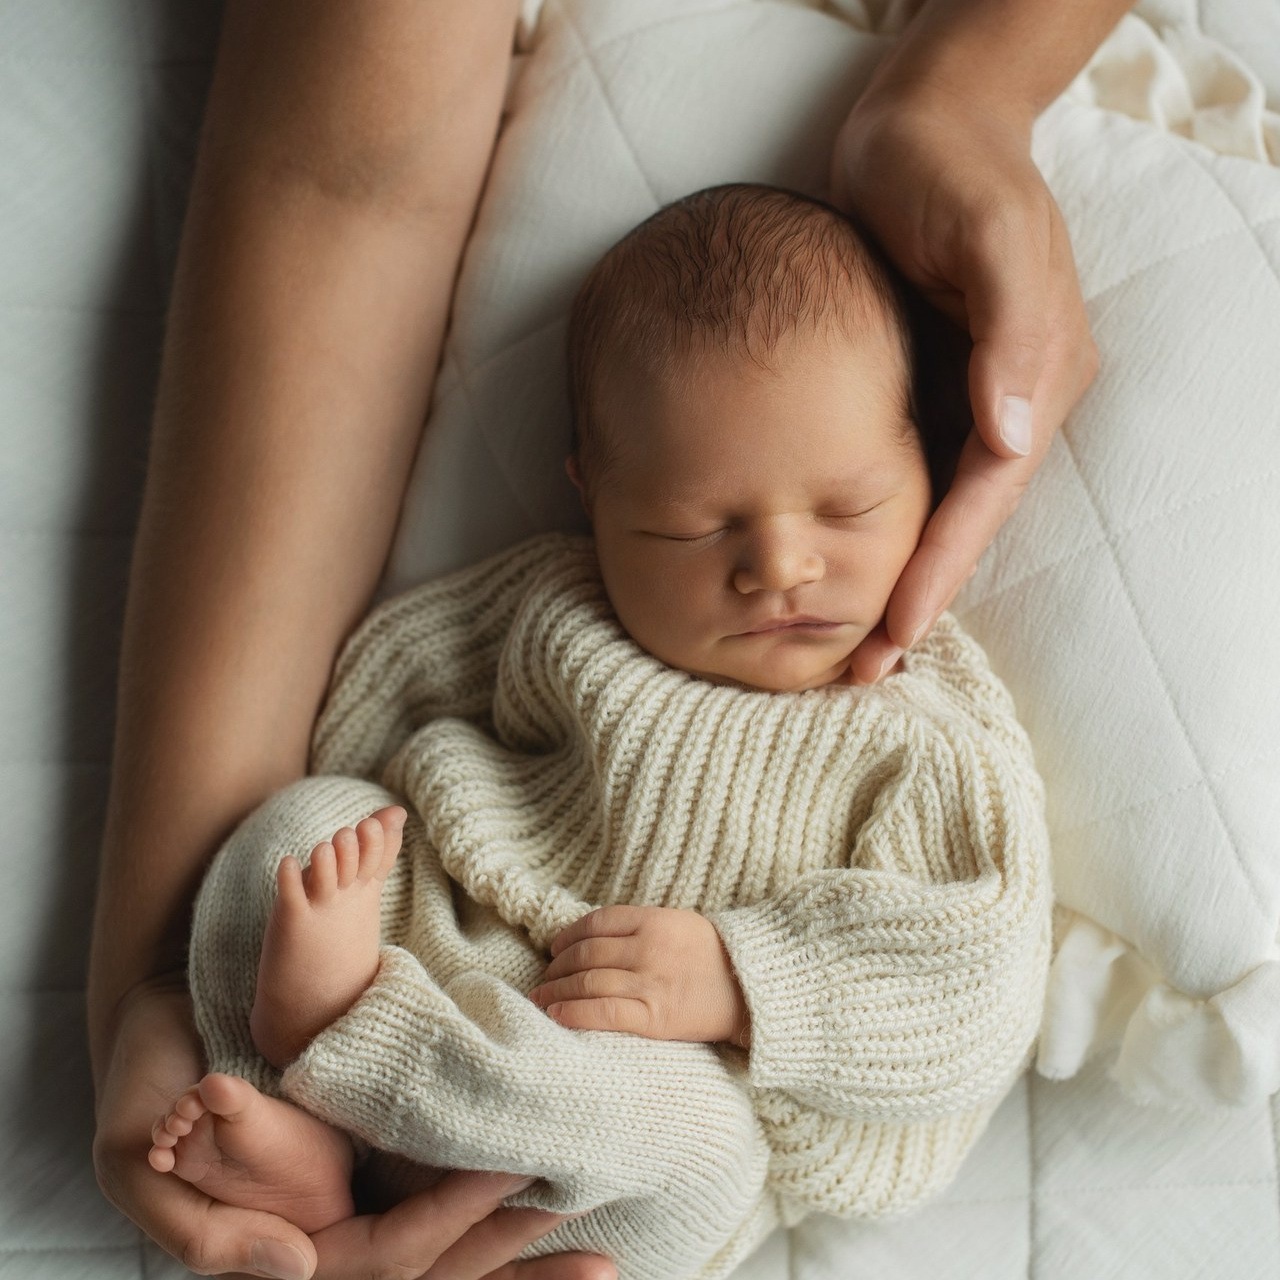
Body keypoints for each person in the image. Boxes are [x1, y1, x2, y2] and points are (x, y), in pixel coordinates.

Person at [87, 2, 1124, 1278]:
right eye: (694, 529)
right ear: (593, 495)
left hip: (640, 1087)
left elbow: (973, 977)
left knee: (696, 1146)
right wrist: (325, 856)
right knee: (277, 837)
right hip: (441, 947)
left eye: (847, 508)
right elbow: (376, 701)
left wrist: (747, 980)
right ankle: (287, 1114)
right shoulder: (550, 612)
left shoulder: (909, 728)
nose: (779, 564)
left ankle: (344, 1062)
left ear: (929, 460)